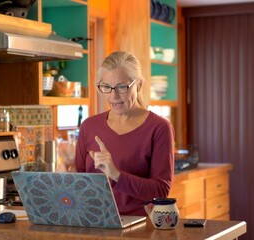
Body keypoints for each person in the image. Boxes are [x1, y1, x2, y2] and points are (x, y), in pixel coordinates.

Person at [57, 51, 175, 216]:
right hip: (92, 222)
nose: (113, 96)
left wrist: (116, 175)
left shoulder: (159, 128)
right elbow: (80, 185)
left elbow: (161, 191)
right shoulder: (89, 126)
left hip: (138, 227)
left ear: (138, 85)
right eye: (106, 87)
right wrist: (67, 176)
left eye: (122, 87)